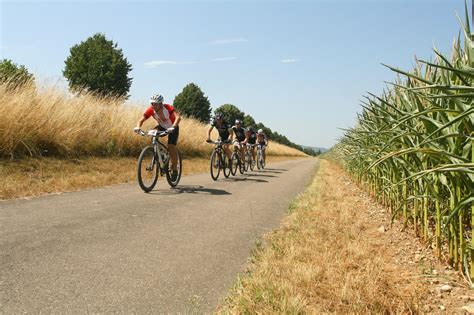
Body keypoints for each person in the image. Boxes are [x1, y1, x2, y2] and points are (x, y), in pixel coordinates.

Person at [134, 93, 181, 181]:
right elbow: (141, 119)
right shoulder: (151, 110)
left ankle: (174, 169)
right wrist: (138, 127)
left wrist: (173, 127)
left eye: (155, 104)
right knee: (153, 135)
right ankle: (161, 155)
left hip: (173, 126)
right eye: (152, 103)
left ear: (160, 104)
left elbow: (178, 117)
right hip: (162, 126)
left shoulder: (168, 107)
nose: (153, 105)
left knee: (171, 147)